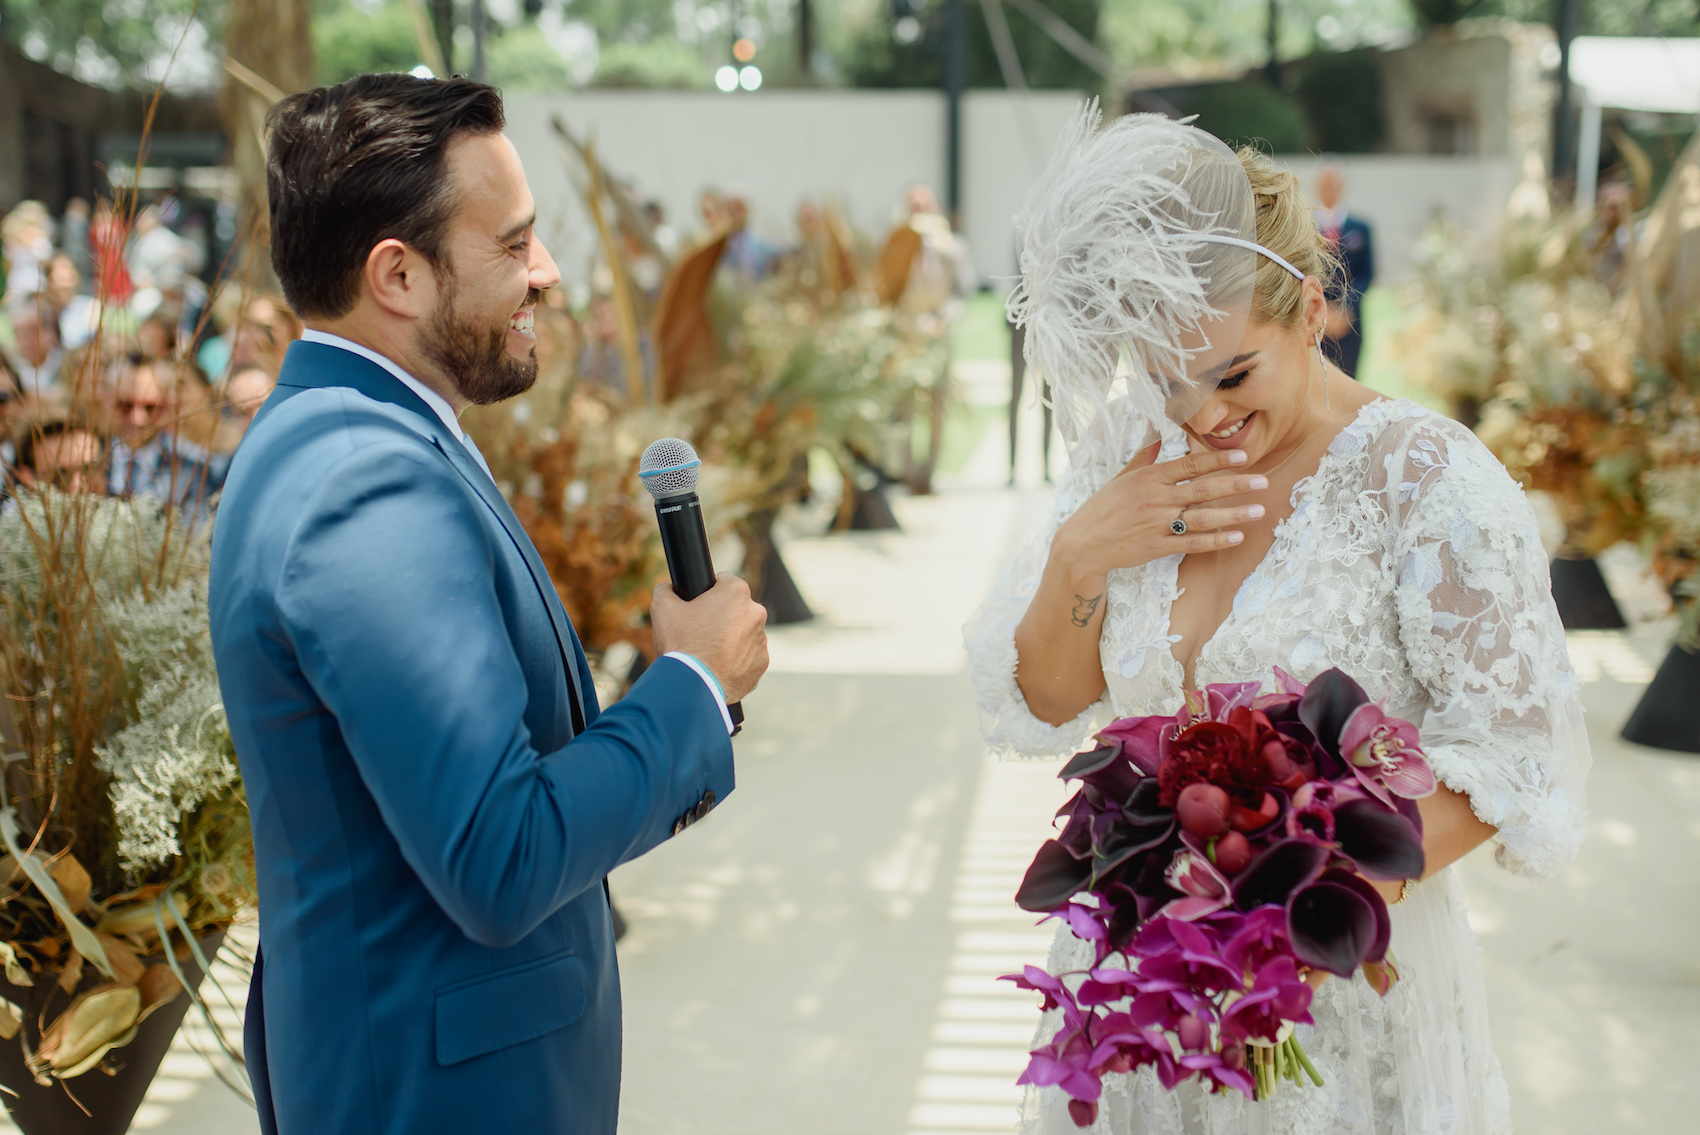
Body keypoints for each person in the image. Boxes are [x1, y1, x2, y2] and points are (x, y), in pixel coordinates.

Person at [967, 109, 1587, 1134]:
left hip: (1332, 987)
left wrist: (1285, 901)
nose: (1199, 413)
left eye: (1230, 373)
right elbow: (1048, 695)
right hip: (1149, 993)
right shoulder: (1132, 452)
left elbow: (1513, 756)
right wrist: (1084, 548)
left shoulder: (1424, 482)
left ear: (1308, 309)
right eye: (1165, 378)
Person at [207, 73, 769, 1135]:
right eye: (513, 245)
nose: (546, 275)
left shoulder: (355, 435)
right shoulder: (358, 480)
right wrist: (691, 684)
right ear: (398, 274)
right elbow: (499, 854)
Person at [1314, 166, 1374, 377]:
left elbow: (1367, 274)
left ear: (1342, 188)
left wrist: (1344, 309)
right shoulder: (1306, 228)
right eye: (1325, 184)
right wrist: (1321, 311)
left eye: (1334, 184)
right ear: (1317, 188)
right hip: (1315, 321)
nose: (1330, 190)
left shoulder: (1361, 227)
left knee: (1351, 378)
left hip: (1350, 321)